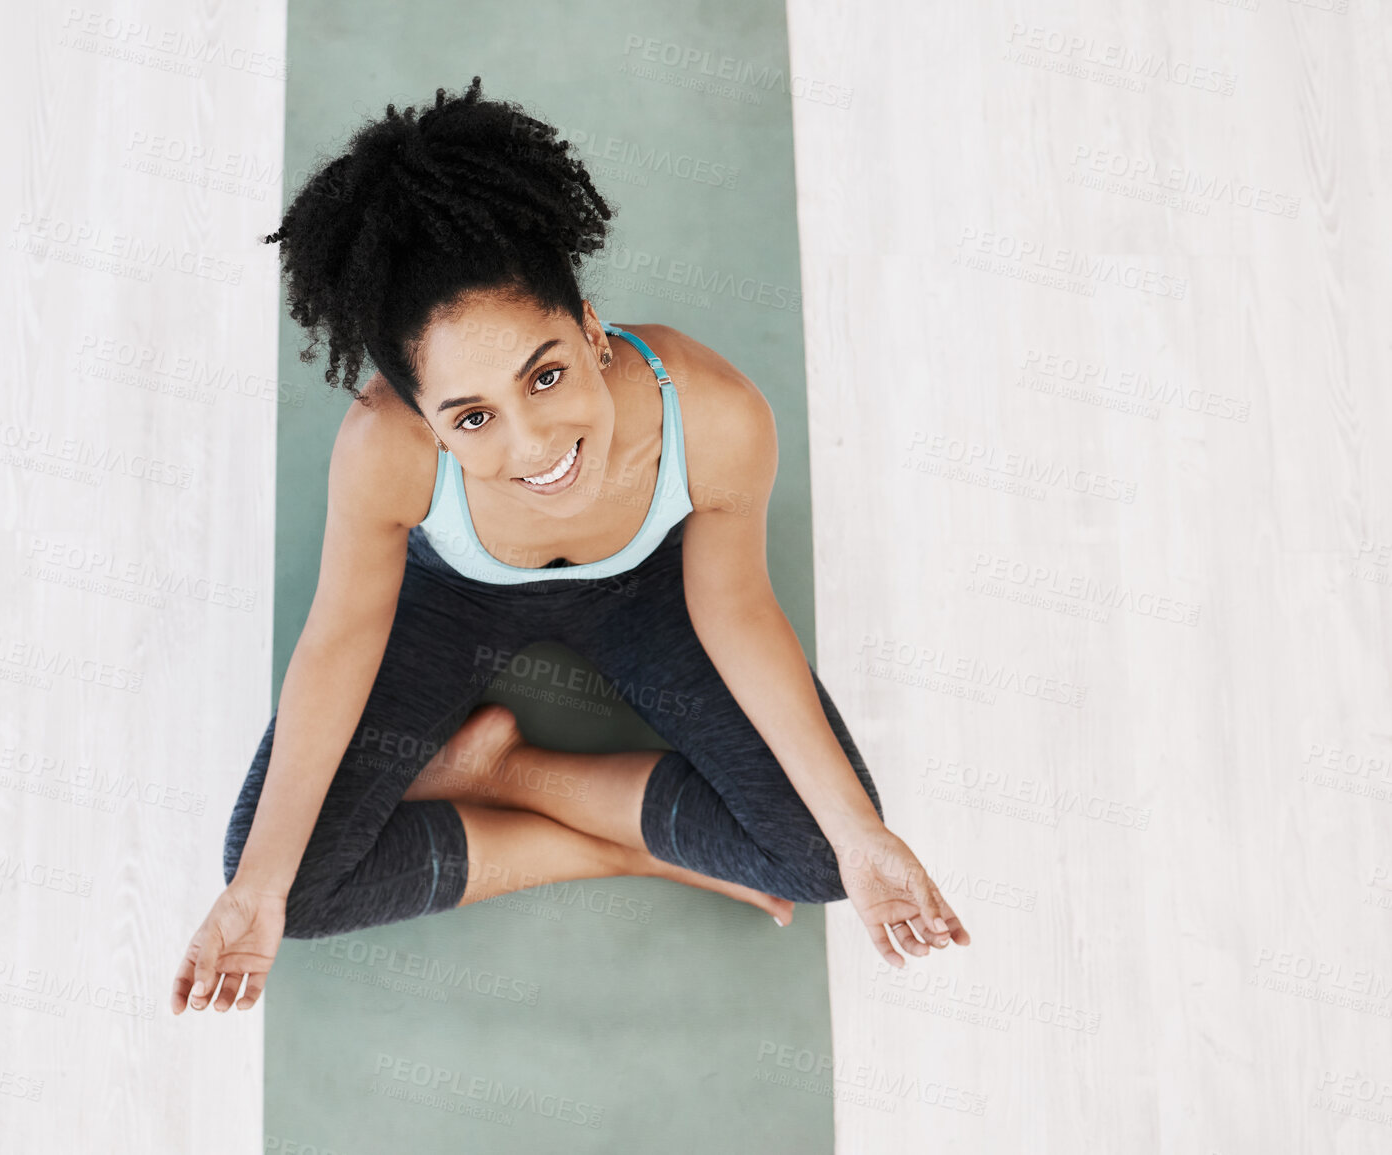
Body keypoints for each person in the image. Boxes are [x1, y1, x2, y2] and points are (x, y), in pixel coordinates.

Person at [174, 76, 970, 1016]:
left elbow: (736, 607)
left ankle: (502, 769)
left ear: (590, 327)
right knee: (280, 887)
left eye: (544, 375)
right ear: (423, 421)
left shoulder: (713, 415)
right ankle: (620, 845)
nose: (534, 445)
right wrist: (261, 885)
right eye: (472, 417)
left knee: (823, 853)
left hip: (641, 594)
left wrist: (858, 830)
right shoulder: (380, 449)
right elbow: (341, 640)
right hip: (453, 600)